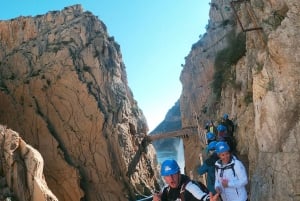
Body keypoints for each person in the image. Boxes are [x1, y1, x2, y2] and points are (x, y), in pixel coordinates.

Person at [153, 159, 219, 201]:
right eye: (167, 175)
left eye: (173, 174)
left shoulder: (190, 187)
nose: (171, 178)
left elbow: (202, 196)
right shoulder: (165, 190)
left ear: (179, 173)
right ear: (164, 178)